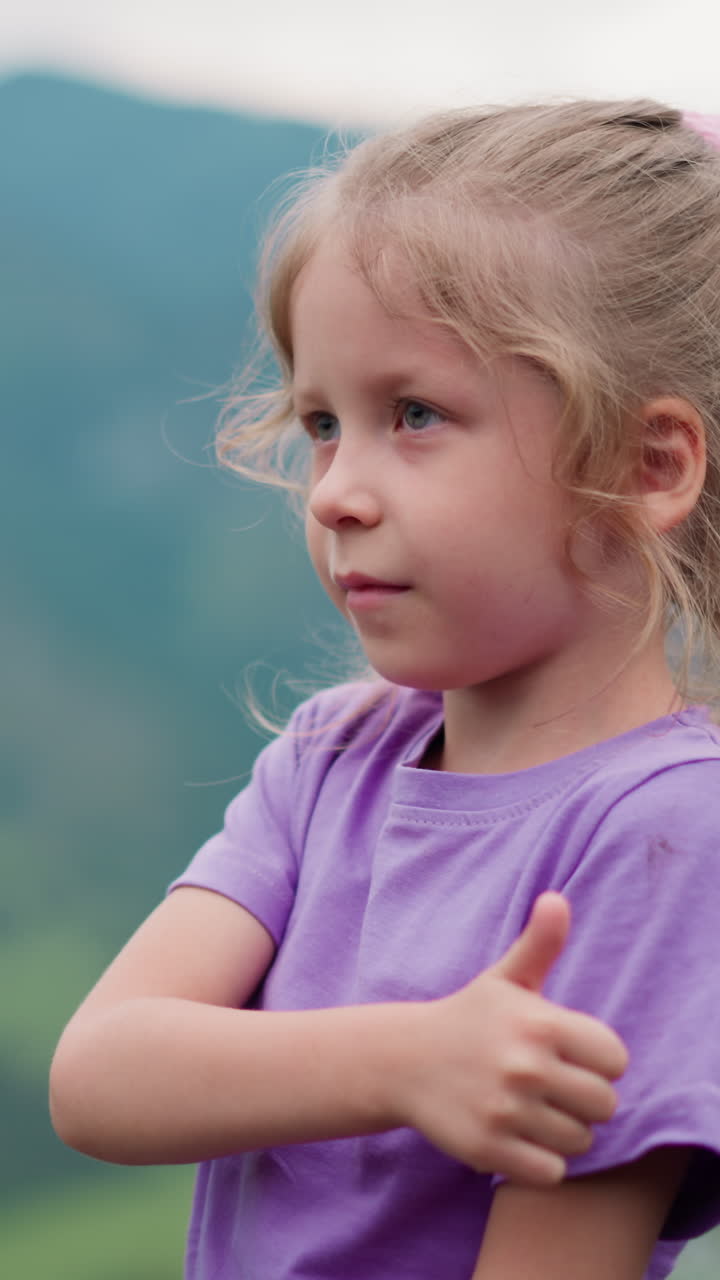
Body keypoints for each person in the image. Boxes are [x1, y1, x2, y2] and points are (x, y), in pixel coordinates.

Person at [49, 98, 720, 1280]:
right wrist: (411, 1061)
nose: (333, 492)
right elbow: (99, 1075)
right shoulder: (332, 756)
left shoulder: (664, 827)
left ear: (645, 464)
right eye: (322, 422)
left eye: (414, 414)